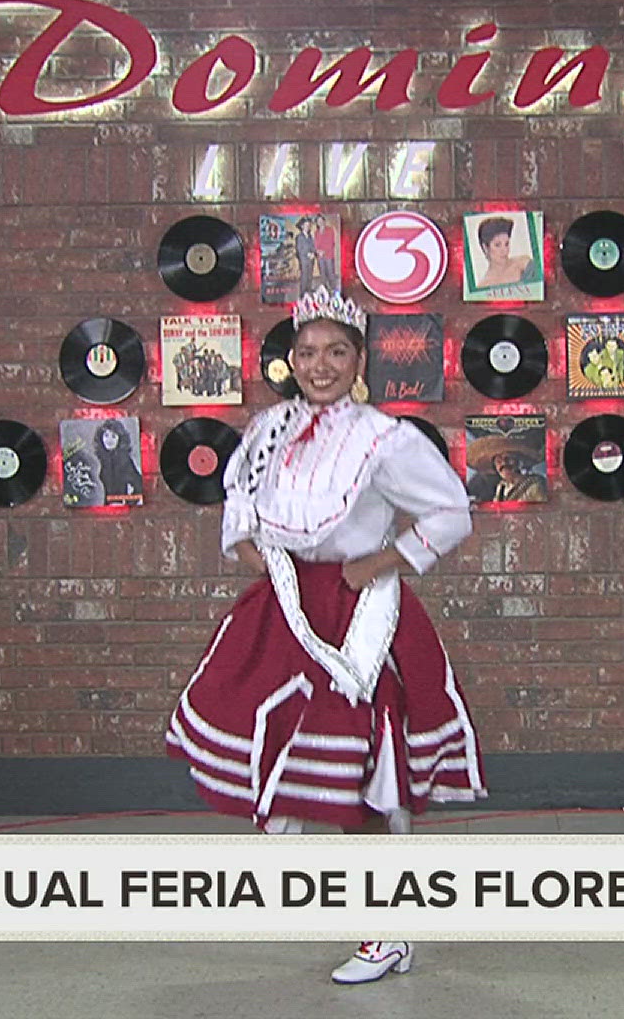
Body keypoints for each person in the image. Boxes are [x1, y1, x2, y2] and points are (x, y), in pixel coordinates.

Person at [163, 288, 484, 985]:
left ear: (359, 359)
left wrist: (380, 560)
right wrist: (275, 568)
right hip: (283, 613)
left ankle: (387, 931)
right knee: (293, 770)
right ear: (290, 360)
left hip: (356, 615)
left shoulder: (385, 436)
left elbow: (451, 511)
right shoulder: (268, 429)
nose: (320, 364)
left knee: (364, 778)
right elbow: (239, 516)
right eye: (306, 352)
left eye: (336, 351)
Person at [473, 215, 532, 288]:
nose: (504, 250)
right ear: (485, 247)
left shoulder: (523, 263)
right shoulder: (483, 286)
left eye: (506, 244)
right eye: (497, 245)